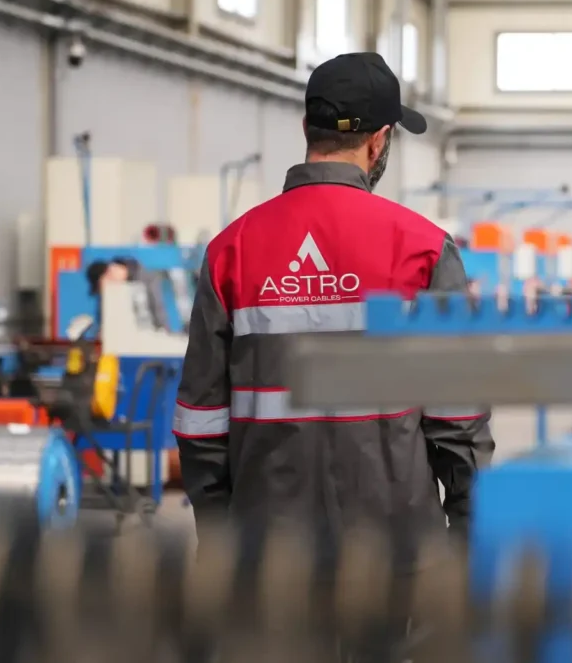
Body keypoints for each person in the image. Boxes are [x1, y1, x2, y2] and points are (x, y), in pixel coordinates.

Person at [173, 52, 496, 658]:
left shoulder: (230, 250)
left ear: (307, 129)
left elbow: (200, 421)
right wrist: (467, 537)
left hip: (268, 552)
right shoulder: (424, 250)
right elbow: (457, 418)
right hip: (395, 553)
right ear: (379, 141)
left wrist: (219, 536)